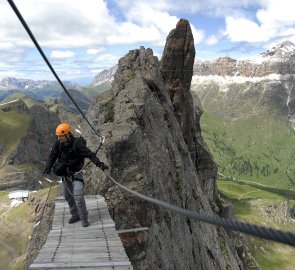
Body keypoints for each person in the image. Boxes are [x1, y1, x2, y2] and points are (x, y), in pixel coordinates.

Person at [43, 123, 108, 227]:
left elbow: (90, 154)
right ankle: (75, 214)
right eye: (58, 136)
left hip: (77, 174)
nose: (59, 138)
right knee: (68, 196)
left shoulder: (77, 144)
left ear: (68, 134)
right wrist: (47, 170)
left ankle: (84, 218)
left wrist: (99, 164)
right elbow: (52, 157)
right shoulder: (58, 144)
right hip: (65, 175)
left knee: (78, 197)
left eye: (61, 136)